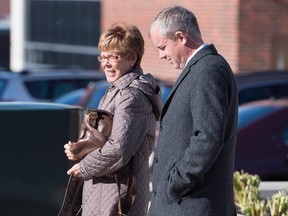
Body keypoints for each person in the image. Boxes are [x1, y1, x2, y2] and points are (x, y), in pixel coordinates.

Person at [148, 5, 238, 216]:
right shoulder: (202, 68)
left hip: (191, 206)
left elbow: (208, 138)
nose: (161, 56)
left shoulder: (207, 70)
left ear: (180, 37)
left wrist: (174, 185)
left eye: (162, 47)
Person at [64, 22, 162, 216]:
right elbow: (103, 140)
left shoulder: (132, 96)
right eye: (103, 56)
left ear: (132, 58)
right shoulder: (116, 91)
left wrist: (84, 167)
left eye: (113, 57)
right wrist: (79, 149)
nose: (106, 63)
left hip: (118, 196)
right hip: (106, 190)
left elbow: (119, 149)